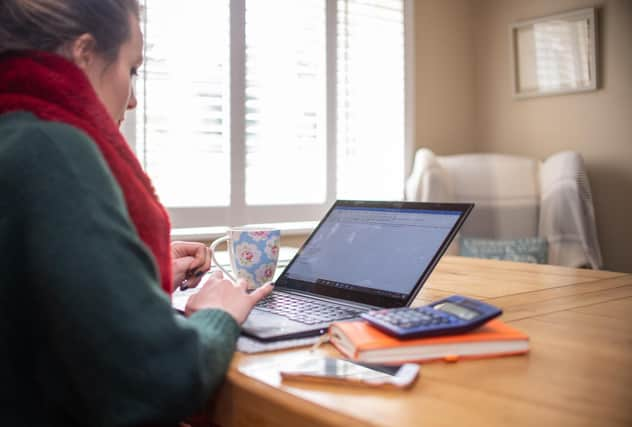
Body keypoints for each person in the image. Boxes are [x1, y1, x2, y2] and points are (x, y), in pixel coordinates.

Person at [0, 1, 273, 425]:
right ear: (84, 54)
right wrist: (217, 313)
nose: (133, 102)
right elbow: (156, 380)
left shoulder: (13, 134)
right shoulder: (52, 150)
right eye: (132, 70)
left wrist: (137, 270)